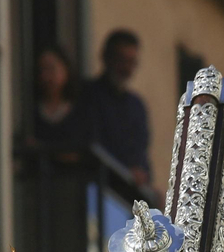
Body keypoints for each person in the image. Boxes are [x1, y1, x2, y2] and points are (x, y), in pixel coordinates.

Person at [78, 29, 152, 186]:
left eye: (131, 62)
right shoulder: (87, 95)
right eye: (122, 60)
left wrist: (145, 180)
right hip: (98, 185)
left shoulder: (137, 106)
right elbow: (92, 144)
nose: (127, 68)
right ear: (107, 58)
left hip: (126, 193)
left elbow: (141, 153)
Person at [33, 45, 88, 152]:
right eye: (41, 70)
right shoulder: (31, 112)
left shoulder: (82, 109)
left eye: (51, 69)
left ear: (66, 69)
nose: (45, 76)